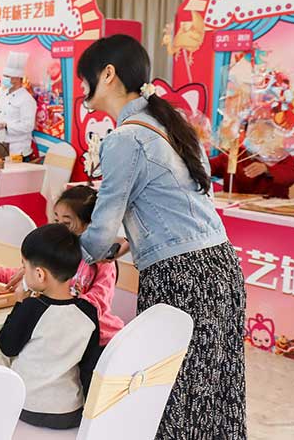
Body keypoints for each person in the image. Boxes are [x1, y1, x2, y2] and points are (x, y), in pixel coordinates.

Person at [76, 34, 244, 439]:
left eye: (85, 77)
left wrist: (71, 255)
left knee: (172, 385)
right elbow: (183, 202)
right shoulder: (171, 123)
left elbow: (102, 226)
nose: (82, 86)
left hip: (181, 277)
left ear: (108, 74)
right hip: (220, 266)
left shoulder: (124, 138)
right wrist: (132, 242)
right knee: (215, 385)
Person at [0, 185, 125, 347]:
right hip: (59, 330)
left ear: (90, 226)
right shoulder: (55, 250)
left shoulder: (102, 262)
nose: (59, 228)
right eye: (56, 220)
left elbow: (97, 304)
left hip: (97, 339)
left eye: (66, 223)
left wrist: (60, 305)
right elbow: (23, 273)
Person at [0, 223, 100, 430]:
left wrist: (19, 303)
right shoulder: (89, 312)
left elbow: (7, 346)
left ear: (40, 274)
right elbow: (89, 366)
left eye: (24, 266)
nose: (23, 272)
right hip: (70, 412)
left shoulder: (32, 307)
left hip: (26, 405)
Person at [0, 51, 37, 161]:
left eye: (7, 76)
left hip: (18, 151)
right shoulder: (2, 94)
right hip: (0, 148)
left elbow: (27, 126)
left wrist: (6, 125)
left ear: (17, 78)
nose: (5, 79)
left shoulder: (27, 99)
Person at [210, 144, 294, 198]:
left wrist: (267, 169)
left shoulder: (278, 155)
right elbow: (209, 167)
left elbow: (293, 174)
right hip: (235, 205)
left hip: (270, 207)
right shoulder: (234, 154)